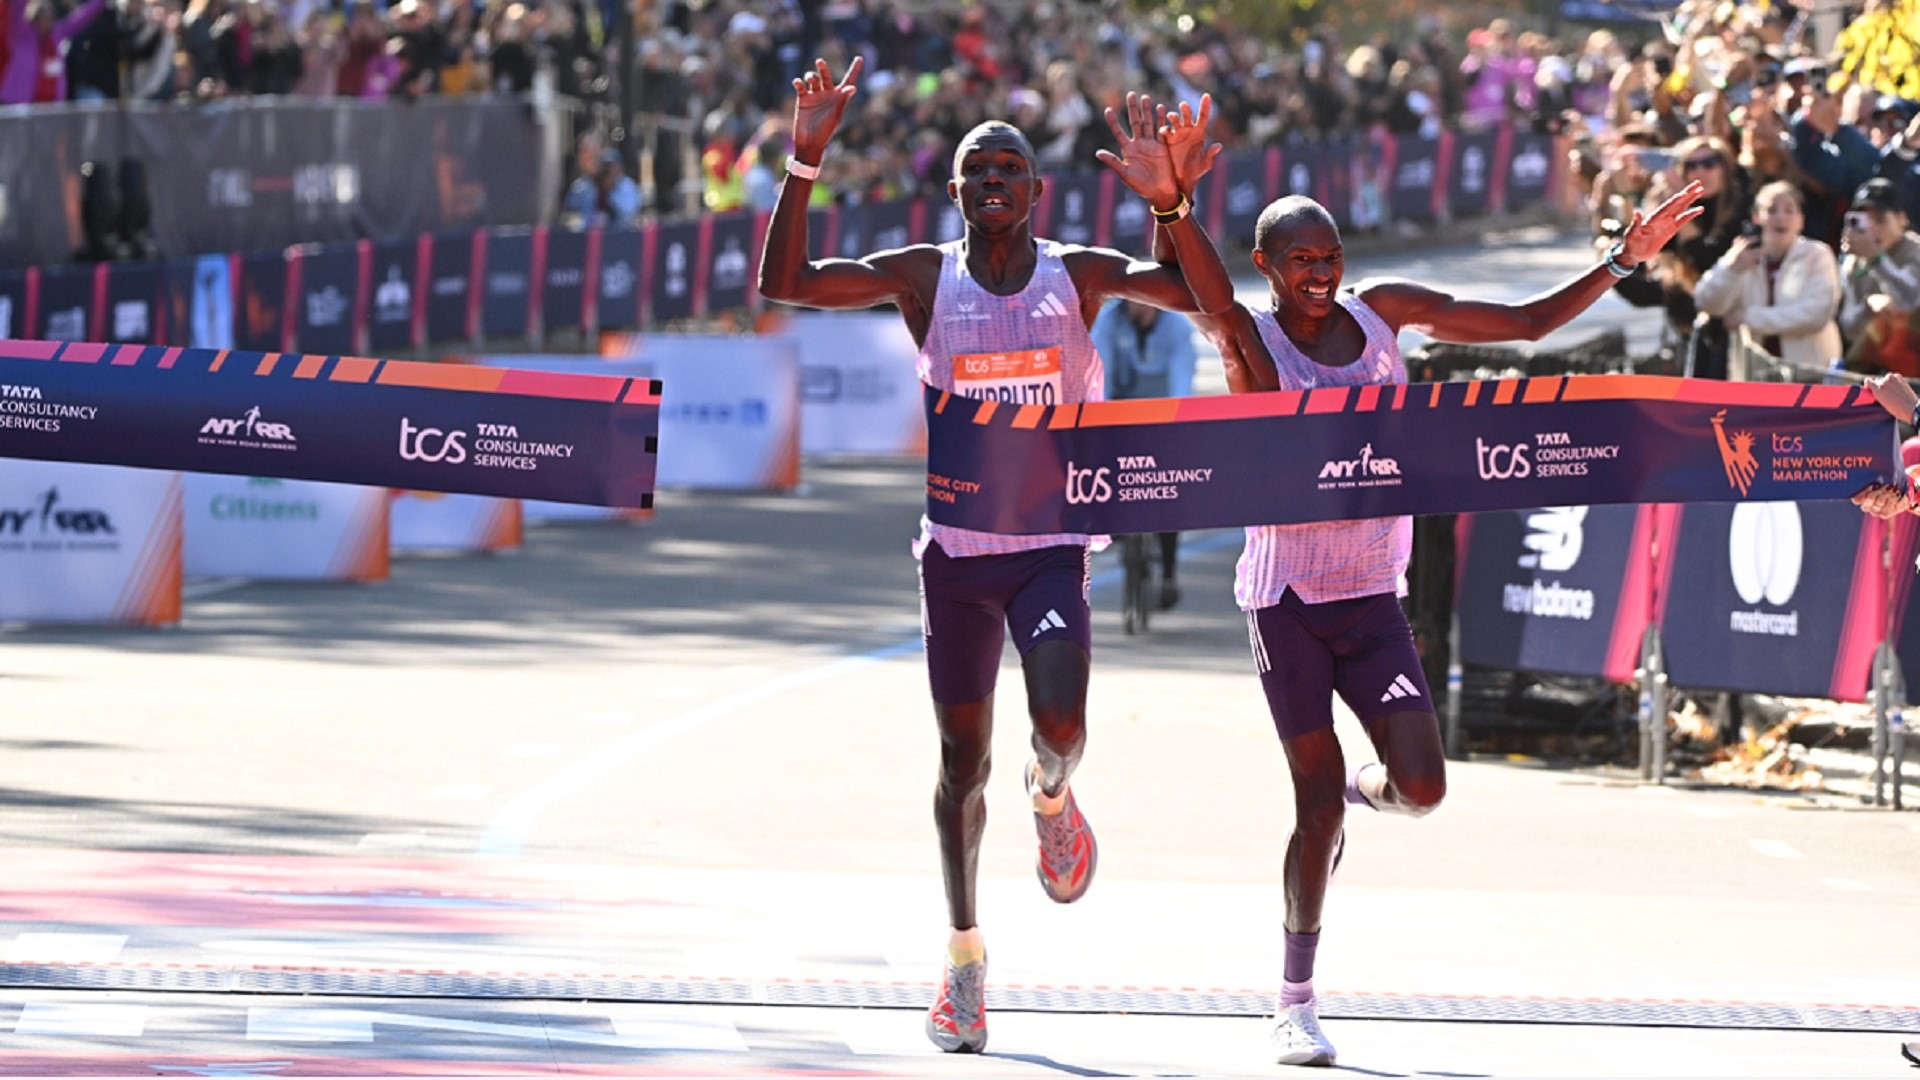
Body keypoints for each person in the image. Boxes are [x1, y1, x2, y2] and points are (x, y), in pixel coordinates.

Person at [1122, 97, 1702, 1066]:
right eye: (1299, 261)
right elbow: (1210, 299)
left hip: (1371, 597)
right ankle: (1294, 999)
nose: (1321, 272)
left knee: (1424, 789)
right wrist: (1177, 209)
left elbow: (1518, 323)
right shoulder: (1255, 346)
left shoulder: (1380, 311)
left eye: (1330, 254)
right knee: (1309, 806)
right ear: (1268, 269)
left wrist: (1621, 259)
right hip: (1290, 603)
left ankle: (1361, 789)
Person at [756, 60, 1221, 1055]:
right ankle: (964, 961)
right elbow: (784, 283)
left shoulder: (1078, 272)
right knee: (958, 766)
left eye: (1012, 168)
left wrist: (1172, 203)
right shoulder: (928, 275)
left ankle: (1052, 798)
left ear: (1037, 191)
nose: (997, 182)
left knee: (1061, 720)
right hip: (958, 558)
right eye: (979, 171)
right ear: (958, 192)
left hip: (1049, 544)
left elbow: (1200, 298)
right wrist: (804, 158)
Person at [1091, 297, 1198, 611]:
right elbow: (1100, 371)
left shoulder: (1176, 326)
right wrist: (1100, 421)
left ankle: (1167, 573)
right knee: (1103, 463)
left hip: (1163, 409)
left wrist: (1177, 422)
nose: (1129, 307)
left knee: (1168, 491)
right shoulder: (1111, 320)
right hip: (1120, 407)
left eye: (1136, 302)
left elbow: (1182, 378)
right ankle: (1117, 526)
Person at [1694, 181, 1843, 379]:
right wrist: (1732, 269)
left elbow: (1816, 314)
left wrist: (1748, 317)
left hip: (1810, 376)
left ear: (1801, 220)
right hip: (1754, 378)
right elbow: (1706, 303)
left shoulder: (1817, 255)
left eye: (1789, 210)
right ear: (1757, 218)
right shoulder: (1741, 256)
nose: (1781, 217)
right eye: (1772, 210)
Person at [1839, 177, 1920, 374]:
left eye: (1880, 219)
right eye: (1865, 220)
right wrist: (1870, 307)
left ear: (1901, 219)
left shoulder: (1914, 250)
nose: (1872, 228)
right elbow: (1850, 327)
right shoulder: (1854, 261)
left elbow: (1911, 299)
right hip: (1872, 368)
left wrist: (1876, 259)